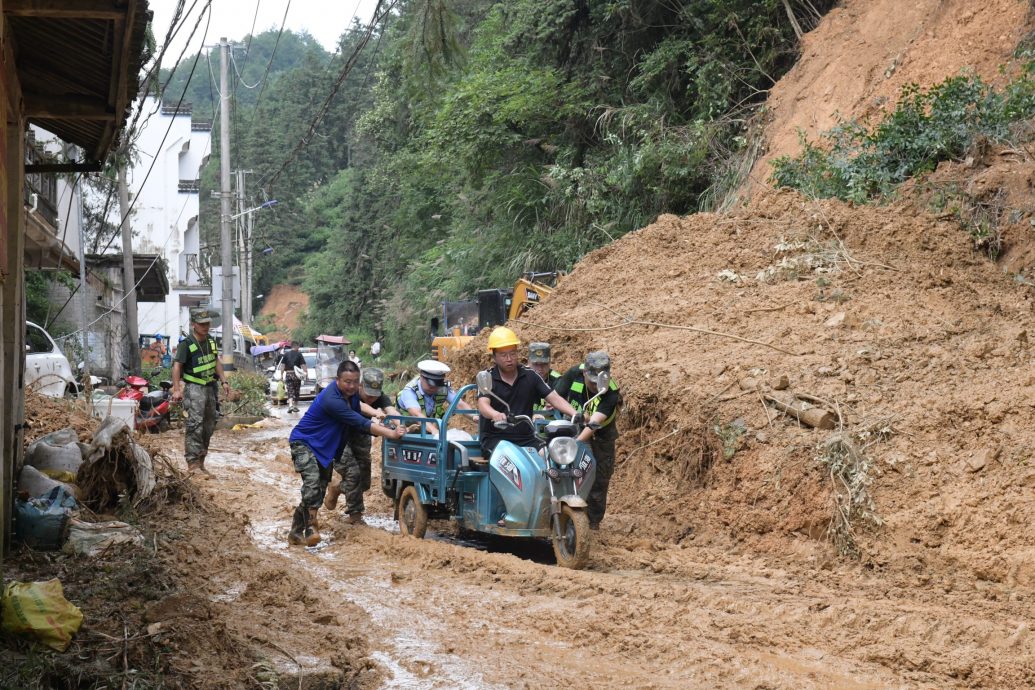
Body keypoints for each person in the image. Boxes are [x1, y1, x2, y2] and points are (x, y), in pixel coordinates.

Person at [287, 360, 406, 546]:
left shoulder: (351, 396)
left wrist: (401, 426)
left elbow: (372, 409)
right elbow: (360, 421)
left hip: (328, 446)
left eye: (354, 382)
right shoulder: (332, 399)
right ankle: (311, 527)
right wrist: (390, 432)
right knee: (312, 483)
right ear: (338, 380)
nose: (351, 386)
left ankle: (295, 533)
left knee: (319, 489)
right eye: (347, 382)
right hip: (305, 442)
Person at [477, 327, 578, 459]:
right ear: (494, 357)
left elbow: (553, 397)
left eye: (513, 353)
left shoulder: (530, 375)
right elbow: (483, 405)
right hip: (496, 439)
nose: (509, 359)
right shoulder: (487, 377)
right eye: (503, 355)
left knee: (549, 456)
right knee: (512, 459)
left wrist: (574, 413)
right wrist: (495, 414)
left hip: (526, 438)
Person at [553, 351, 622, 530]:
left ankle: (592, 523)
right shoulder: (573, 374)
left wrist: (575, 444)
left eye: (598, 381)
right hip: (571, 428)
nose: (595, 385)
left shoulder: (611, 392)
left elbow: (593, 425)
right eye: (591, 381)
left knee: (599, 478)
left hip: (601, 437)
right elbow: (555, 397)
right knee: (562, 471)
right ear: (584, 372)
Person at [325, 367, 401, 523]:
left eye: (375, 396)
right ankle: (355, 516)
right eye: (368, 395)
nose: (372, 398)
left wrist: (402, 425)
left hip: (360, 436)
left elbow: (392, 411)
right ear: (359, 386)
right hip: (339, 437)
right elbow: (360, 406)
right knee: (353, 474)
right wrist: (374, 412)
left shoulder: (379, 397)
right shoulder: (348, 393)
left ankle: (337, 487)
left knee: (364, 482)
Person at [171, 308, 230, 477]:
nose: (205, 327)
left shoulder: (210, 341)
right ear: (193, 325)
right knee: (195, 425)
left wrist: (224, 380)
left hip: (211, 388)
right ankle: (192, 465)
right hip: (194, 389)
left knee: (209, 425)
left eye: (207, 324)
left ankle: (201, 462)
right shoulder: (186, 344)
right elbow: (177, 366)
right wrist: (177, 390)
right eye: (202, 324)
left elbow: (216, 361)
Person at [396, 359, 471, 435]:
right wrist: (435, 431)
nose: (434, 388)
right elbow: (416, 414)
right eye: (430, 384)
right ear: (421, 376)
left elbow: (459, 404)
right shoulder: (410, 390)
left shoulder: (443, 389)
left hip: (428, 431)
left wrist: (474, 416)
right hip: (405, 432)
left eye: (437, 385)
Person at [528, 341, 561, 417]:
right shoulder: (521, 377)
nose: (540, 368)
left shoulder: (557, 380)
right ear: (529, 362)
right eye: (536, 364)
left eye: (544, 364)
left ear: (549, 362)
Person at [277, 341, 307, 413]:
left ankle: (290, 405)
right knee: (296, 390)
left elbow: (282, 366)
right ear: (296, 346)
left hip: (288, 374)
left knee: (290, 390)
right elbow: (303, 365)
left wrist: (281, 375)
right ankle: (295, 406)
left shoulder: (286, 354)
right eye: (298, 346)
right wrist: (306, 373)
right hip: (296, 375)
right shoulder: (299, 354)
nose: (299, 348)